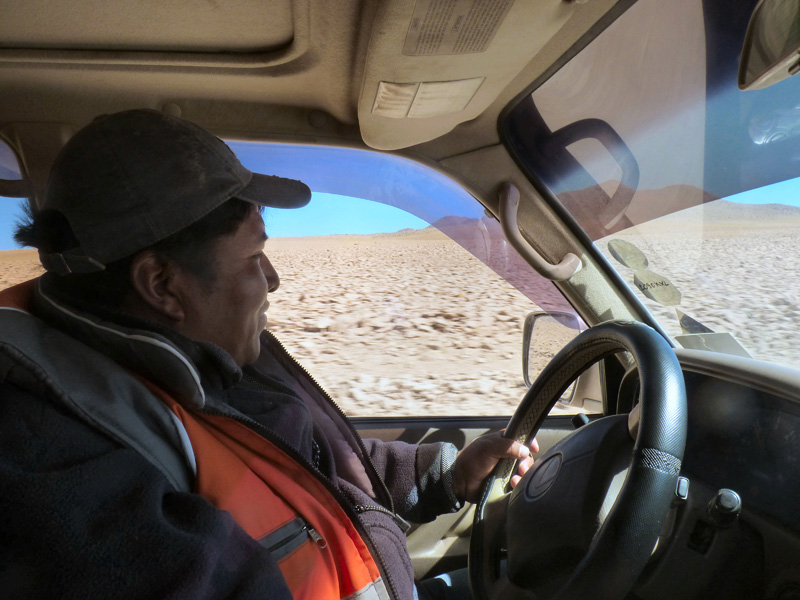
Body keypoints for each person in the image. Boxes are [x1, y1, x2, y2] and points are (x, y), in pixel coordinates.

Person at [0, 109, 536, 600]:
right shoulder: (48, 457)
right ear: (161, 284)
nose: (273, 280)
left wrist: (445, 474)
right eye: (255, 254)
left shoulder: (199, 354)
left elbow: (310, 464)